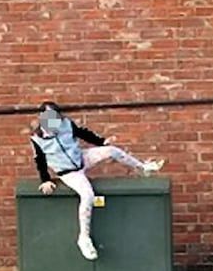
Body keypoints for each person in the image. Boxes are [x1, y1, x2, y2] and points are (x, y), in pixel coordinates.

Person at [31, 101, 164, 261]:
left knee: (111, 151)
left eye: (55, 117)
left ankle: (143, 167)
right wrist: (45, 179)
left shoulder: (66, 124)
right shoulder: (37, 139)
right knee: (87, 196)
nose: (53, 122)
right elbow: (40, 160)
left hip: (81, 158)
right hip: (68, 173)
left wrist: (101, 142)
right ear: (41, 118)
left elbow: (83, 133)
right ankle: (84, 238)